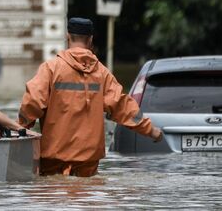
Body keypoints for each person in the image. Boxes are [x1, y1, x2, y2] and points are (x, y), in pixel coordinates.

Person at [18, 17, 163, 177]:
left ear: (67, 36)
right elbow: (123, 107)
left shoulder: (51, 69)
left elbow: (32, 103)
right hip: (88, 163)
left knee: (54, 196)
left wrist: (21, 126)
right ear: (91, 40)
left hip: (53, 161)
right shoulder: (102, 74)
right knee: (87, 197)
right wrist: (151, 130)